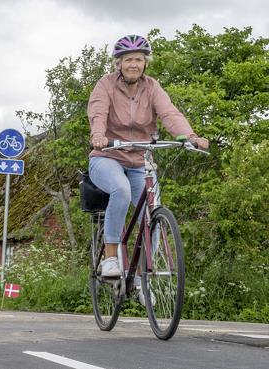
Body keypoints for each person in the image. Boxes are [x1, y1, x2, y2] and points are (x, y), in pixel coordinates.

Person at [87, 35, 209, 303]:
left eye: (139, 60)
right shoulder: (105, 85)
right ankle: (110, 258)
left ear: (145, 63)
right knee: (120, 190)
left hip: (140, 160)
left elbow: (170, 114)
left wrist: (189, 136)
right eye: (128, 59)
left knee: (152, 213)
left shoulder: (152, 87)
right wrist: (98, 134)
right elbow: (98, 112)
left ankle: (142, 277)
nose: (134, 64)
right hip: (107, 156)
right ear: (119, 63)